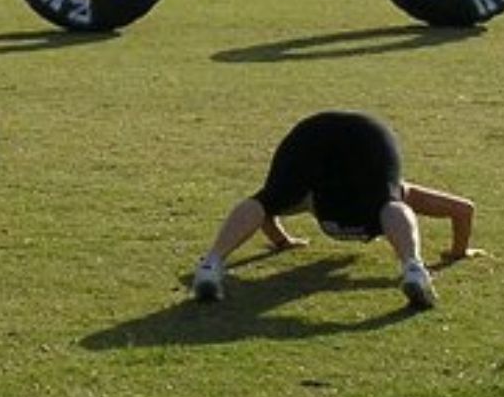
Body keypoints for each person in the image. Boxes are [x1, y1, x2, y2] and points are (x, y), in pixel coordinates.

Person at [189, 111, 479, 309]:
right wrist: (458, 252)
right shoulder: (396, 196)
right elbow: (463, 211)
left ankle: (210, 265)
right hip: (366, 135)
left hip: (314, 132)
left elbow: (265, 209)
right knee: (389, 200)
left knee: (269, 197)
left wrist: (281, 241)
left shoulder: (308, 197)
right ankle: (414, 268)